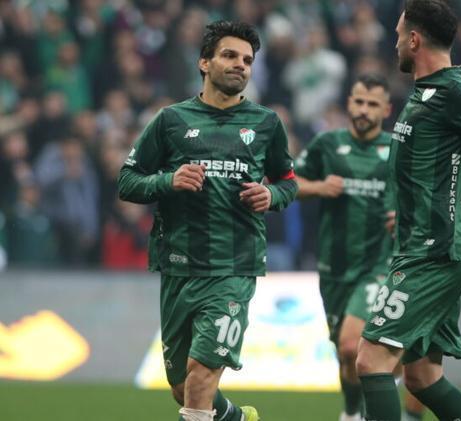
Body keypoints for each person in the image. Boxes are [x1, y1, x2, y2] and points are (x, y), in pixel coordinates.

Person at [354, 1, 461, 420]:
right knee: (423, 377)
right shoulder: (425, 93)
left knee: (371, 360)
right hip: (423, 246)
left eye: (399, 35)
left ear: (414, 40)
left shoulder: (457, 92)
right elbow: (453, 173)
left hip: (432, 252)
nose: (395, 43)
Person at [118, 21, 297, 421]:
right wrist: (168, 180)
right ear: (204, 62)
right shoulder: (171, 120)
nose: (240, 65)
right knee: (182, 385)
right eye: (230, 55)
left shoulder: (266, 123)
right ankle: (235, 418)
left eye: (247, 60)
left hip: (234, 266)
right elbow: (127, 181)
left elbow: (288, 182)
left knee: (201, 377)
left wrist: (272, 196)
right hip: (178, 266)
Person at [295, 73, 425, 421]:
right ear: (349, 104)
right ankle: (353, 411)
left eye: (372, 104)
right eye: (359, 102)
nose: (364, 110)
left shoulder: (398, 149)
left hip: (379, 265)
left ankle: (371, 405)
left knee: (353, 346)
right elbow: (288, 183)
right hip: (334, 267)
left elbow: (424, 198)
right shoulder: (327, 143)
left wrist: (407, 217)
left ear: (386, 109)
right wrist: (319, 187)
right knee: (344, 354)